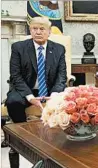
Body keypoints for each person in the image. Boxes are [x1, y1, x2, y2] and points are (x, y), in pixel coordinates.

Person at [3, 16, 67, 151]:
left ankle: (59, 138)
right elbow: (16, 75)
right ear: (30, 31)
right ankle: (23, 137)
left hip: (50, 91)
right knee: (13, 101)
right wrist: (30, 97)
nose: (38, 32)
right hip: (25, 89)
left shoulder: (59, 49)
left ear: (49, 32)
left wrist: (54, 95)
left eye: (42, 29)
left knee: (67, 101)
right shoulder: (18, 48)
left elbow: (62, 76)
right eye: (34, 29)